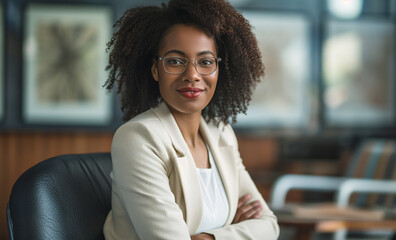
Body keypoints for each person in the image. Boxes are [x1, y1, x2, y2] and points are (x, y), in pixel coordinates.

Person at [102, 0, 279, 239]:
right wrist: (235, 231)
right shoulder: (138, 138)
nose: (192, 75)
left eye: (205, 62)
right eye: (175, 61)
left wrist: (209, 237)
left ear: (219, 70)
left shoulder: (221, 133)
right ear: (156, 70)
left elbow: (269, 226)